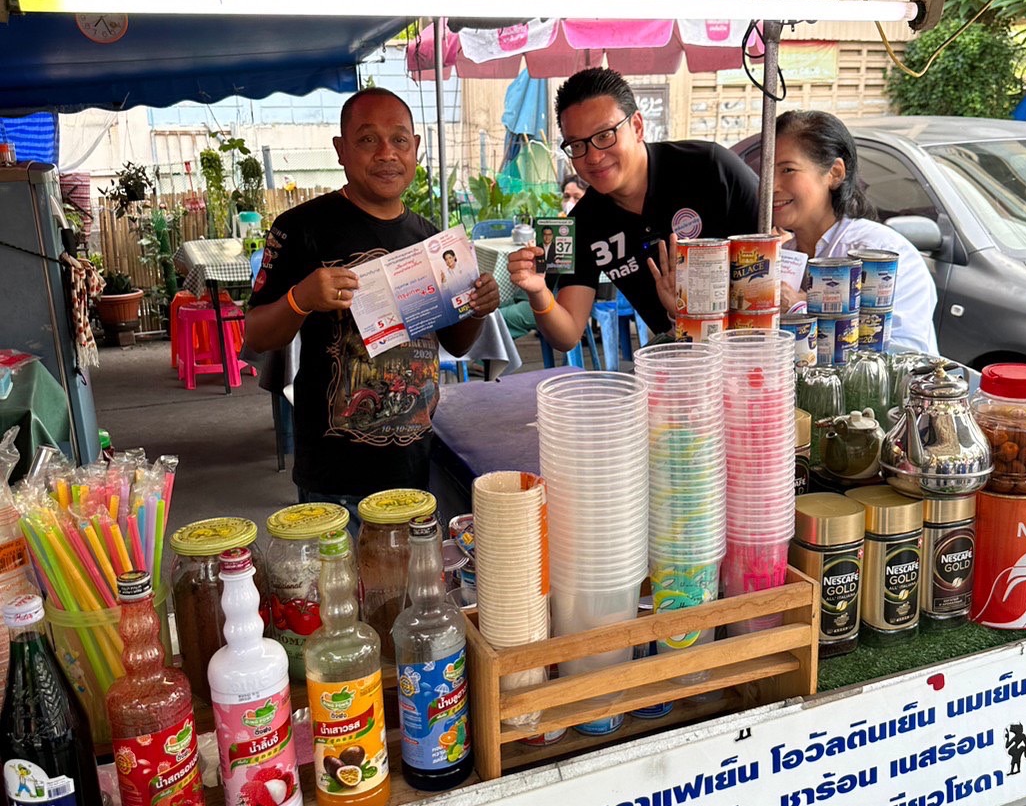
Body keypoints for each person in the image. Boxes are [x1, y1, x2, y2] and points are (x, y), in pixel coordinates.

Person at [245, 88, 500, 515]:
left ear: (415, 148)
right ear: (341, 150)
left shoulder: (432, 242)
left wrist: (477, 307)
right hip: (335, 481)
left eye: (399, 139)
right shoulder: (302, 228)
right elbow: (256, 334)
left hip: (416, 469)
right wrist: (300, 299)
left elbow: (456, 345)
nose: (386, 153)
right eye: (367, 139)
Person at [508, 67, 759, 350]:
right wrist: (538, 292)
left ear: (637, 126)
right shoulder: (580, 222)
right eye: (577, 145)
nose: (593, 157)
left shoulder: (711, 168)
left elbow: (775, 260)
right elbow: (567, 336)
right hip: (680, 359)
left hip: (751, 347)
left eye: (605, 135)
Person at [770, 109, 938, 353]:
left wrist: (804, 309)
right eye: (766, 171)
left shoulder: (880, 253)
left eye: (788, 170)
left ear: (834, 173)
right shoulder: (782, 256)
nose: (772, 185)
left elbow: (905, 353)